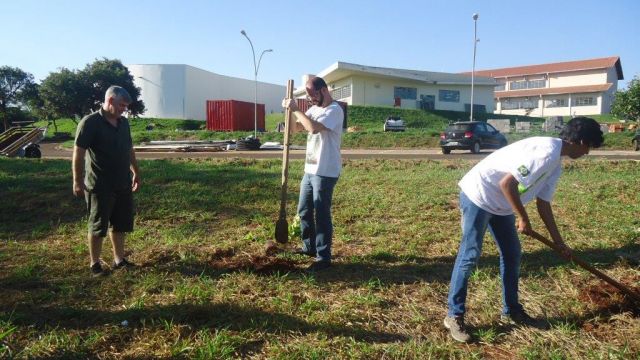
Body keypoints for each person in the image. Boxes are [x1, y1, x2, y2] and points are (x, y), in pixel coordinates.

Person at [444, 117, 604, 342]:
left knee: (512, 254)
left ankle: (512, 311)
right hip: (479, 194)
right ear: (579, 140)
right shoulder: (546, 153)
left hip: (501, 204)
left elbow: (543, 204)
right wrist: (522, 217)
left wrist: (559, 242)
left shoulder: (555, 163)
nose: (587, 152)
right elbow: (507, 184)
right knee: (470, 255)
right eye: (588, 146)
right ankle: (455, 314)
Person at [72, 85, 140, 277]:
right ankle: (95, 264)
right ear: (110, 100)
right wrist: (77, 180)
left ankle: (119, 259)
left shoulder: (123, 123)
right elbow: (78, 153)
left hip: (122, 183)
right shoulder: (90, 123)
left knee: (120, 224)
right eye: (121, 105)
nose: (124, 109)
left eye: (126, 106)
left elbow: (129, 149)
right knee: (97, 225)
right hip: (99, 185)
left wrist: (136, 172)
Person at [282, 76, 344, 272]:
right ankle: (309, 247)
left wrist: (296, 109)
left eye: (312, 95)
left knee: (321, 213)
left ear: (323, 90)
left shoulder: (334, 110)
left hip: (325, 171)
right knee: (304, 210)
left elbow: (312, 128)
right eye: (308, 97)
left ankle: (323, 257)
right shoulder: (313, 109)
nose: (310, 100)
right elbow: (296, 128)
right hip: (310, 169)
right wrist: (290, 113)